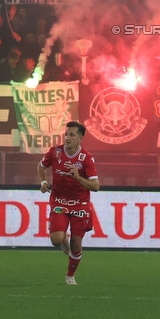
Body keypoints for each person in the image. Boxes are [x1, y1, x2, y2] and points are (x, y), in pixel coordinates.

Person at [37, 121, 100, 285]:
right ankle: (63, 240)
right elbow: (41, 166)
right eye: (66, 134)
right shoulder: (55, 152)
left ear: (80, 138)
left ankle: (70, 276)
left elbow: (96, 186)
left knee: (77, 243)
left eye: (72, 135)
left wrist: (77, 177)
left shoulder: (86, 158)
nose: (67, 138)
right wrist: (43, 182)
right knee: (56, 240)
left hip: (80, 204)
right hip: (59, 201)